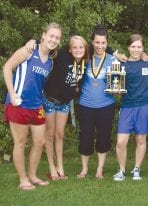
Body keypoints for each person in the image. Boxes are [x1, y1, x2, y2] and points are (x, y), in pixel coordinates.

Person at [3, 22, 62, 190]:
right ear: (43, 35)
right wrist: (12, 93)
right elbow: (7, 67)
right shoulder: (28, 51)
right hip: (19, 104)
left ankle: (32, 175)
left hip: (37, 106)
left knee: (39, 141)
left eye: (57, 38)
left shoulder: (50, 62)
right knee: (21, 142)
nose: (53, 40)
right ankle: (23, 180)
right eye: (51, 36)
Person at [42, 35, 89, 180]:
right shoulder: (62, 55)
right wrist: (33, 42)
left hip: (65, 102)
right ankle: (52, 168)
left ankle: (60, 167)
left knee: (60, 134)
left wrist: (116, 53)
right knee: (49, 134)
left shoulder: (86, 58)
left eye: (81, 47)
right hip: (50, 100)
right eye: (74, 47)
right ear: (69, 49)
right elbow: (48, 45)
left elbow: (103, 46)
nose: (78, 49)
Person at [113, 34, 148, 181]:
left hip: (143, 106)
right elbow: (116, 86)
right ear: (128, 47)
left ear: (143, 48)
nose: (136, 50)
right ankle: (122, 170)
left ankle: (137, 169)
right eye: (133, 47)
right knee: (120, 142)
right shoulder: (121, 64)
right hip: (127, 107)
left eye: (139, 47)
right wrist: (116, 88)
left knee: (141, 140)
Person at [77, 24, 116, 179]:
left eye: (103, 43)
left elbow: (116, 83)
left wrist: (116, 87)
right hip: (85, 105)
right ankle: (85, 169)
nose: (100, 46)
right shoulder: (84, 57)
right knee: (85, 137)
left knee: (103, 137)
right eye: (97, 42)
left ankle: (100, 169)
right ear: (92, 42)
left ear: (107, 44)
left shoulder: (113, 59)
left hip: (106, 105)